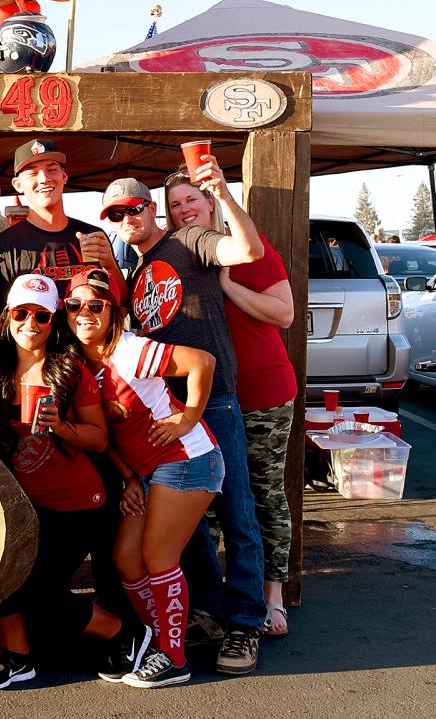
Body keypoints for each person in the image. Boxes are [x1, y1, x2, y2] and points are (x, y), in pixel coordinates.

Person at [105, 166, 268, 676]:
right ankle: (209, 612)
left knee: (239, 516)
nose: (127, 218)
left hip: (210, 401)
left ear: (150, 210)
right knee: (186, 529)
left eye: (135, 208)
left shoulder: (189, 240)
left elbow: (248, 252)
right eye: (115, 214)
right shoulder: (134, 270)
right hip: (164, 413)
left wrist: (220, 192)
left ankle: (245, 623)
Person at [0, 273, 149, 691]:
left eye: (41, 315)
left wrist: (61, 427)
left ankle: (124, 632)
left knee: (41, 596)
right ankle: (19, 659)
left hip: (80, 503)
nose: (30, 323)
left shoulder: (68, 371)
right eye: (20, 313)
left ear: (53, 320)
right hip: (26, 504)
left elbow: (99, 437)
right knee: (2, 579)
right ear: (7, 317)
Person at [68, 269, 222, 688]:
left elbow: (202, 362)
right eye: (75, 305)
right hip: (145, 471)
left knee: (158, 558)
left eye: (96, 305)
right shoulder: (81, 362)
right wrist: (128, 478)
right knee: (127, 560)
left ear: (113, 312)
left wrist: (188, 417)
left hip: (187, 459)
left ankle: (174, 658)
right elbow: (106, 434)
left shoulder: (129, 349)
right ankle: (159, 637)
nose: (85, 313)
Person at [165, 171, 297, 638]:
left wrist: (229, 288)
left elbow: (285, 313)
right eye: (175, 204)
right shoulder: (180, 256)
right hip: (214, 397)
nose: (185, 209)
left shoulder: (241, 246)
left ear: (211, 201)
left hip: (261, 391)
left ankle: (272, 597)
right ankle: (219, 600)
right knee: (214, 502)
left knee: (261, 495)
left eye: (192, 199)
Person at [0, 138, 123, 316]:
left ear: (64, 177)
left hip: (86, 342)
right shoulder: (3, 247)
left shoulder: (92, 236)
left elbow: (122, 303)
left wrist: (109, 265)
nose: (44, 179)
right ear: (18, 185)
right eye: (32, 173)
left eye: (52, 169)